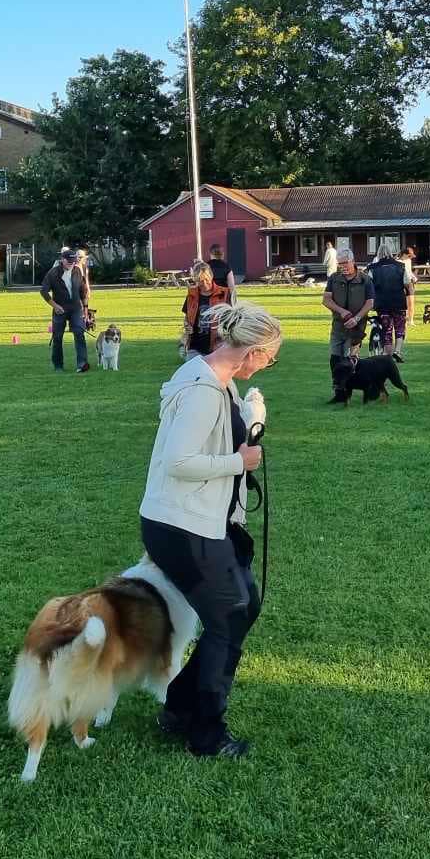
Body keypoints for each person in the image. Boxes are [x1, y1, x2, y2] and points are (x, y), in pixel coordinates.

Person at [140, 301, 281, 758]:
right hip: (180, 524)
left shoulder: (218, 382)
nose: (270, 365)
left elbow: (223, 436)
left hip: (205, 519)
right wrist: (238, 462)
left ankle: (180, 706)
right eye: (271, 356)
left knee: (245, 605)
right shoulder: (203, 391)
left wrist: (251, 424)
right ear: (252, 352)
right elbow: (180, 462)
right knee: (228, 614)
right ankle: (206, 732)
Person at [320, 248, 373, 398]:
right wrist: (341, 311)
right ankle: (338, 392)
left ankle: (348, 391)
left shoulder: (365, 279)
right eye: (339, 263)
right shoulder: (334, 278)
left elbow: (370, 303)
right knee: (335, 358)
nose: (342, 266)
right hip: (338, 325)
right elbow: (326, 300)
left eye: (345, 263)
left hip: (356, 327)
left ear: (352, 261)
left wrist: (356, 318)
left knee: (349, 360)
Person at [41, 248, 91, 374]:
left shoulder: (77, 271)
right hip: (60, 309)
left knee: (79, 333)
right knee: (57, 337)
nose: (72, 263)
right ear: (62, 260)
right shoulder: (53, 273)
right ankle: (58, 366)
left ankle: (82, 364)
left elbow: (83, 290)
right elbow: (43, 291)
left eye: (73, 261)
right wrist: (55, 306)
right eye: (69, 261)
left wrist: (85, 308)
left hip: (75, 308)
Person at [367, 245, 410, 355]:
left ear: (378, 253)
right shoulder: (401, 266)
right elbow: (406, 283)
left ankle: (387, 354)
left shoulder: (372, 268)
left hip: (382, 303)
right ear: (391, 253)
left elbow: (369, 286)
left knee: (386, 329)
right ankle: (398, 351)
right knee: (400, 327)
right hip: (398, 301)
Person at [182, 262, 231, 355]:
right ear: (195, 280)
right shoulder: (191, 295)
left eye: (206, 279)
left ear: (211, 276)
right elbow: (186, 318)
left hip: (219, 344)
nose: (204, 283)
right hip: (196, 346)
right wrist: (187, 325)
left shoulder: (225, 294)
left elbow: (232, 320)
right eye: (200, 280)